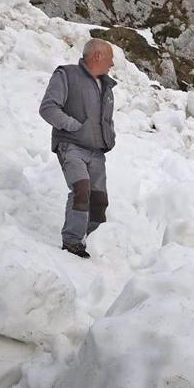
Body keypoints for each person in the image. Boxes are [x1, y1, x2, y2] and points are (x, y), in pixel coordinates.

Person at [39, 38, 117, 258]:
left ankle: (90, 239)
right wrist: (73, 126)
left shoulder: (107, 86)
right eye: (110, 58)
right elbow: (48, 108)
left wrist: (109, 136)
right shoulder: (67, 75)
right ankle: (72, 242)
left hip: (97, 152)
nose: (112, 64)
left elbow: (105, 119)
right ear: (98, 55)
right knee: (81, 189)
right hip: (71, 145)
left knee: (99, 201)